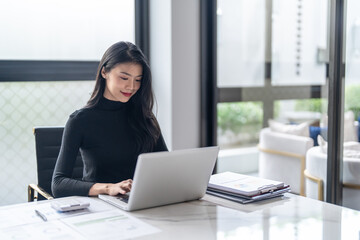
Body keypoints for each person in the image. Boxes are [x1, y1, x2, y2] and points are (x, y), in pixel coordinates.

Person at [51, 41, 168, 198]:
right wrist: (108, 188)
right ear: (104, 72)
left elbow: (165, 165)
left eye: (138, 79)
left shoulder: (144, 116)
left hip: (140, 201)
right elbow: (58, 184)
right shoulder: (80, 121)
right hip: (101, 206)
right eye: (124, 78)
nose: (131, 86)